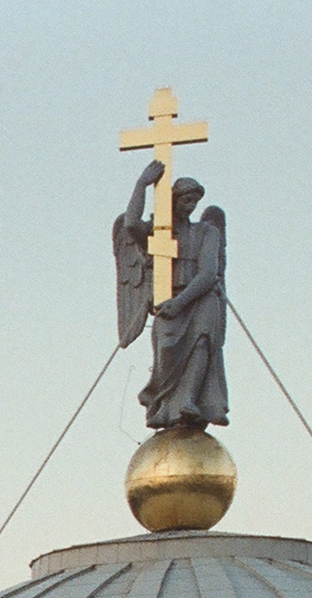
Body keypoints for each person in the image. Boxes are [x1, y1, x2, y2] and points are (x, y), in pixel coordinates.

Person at [114, 160, 229, 431]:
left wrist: (180, 303)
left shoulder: (207, 232)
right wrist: (141, 184)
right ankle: (163, 403)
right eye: (186, 201)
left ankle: (190, 398)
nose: (190, 207)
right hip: (167, 299)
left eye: (194, 202)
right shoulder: (159, 232)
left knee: (201, 342)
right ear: (174, 201)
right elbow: (131, 224)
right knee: (166, 348)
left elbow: (208, 273)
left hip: (199, 298)